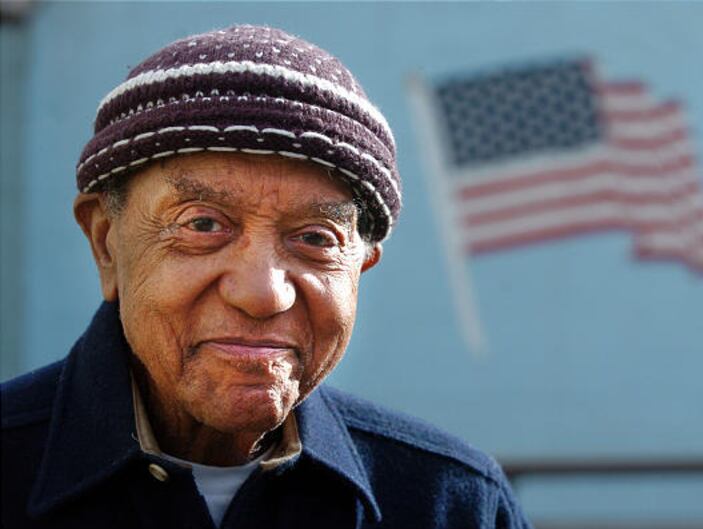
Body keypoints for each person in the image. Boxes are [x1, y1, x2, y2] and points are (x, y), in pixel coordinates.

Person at [1, 25, 531, 529]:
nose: (262, 294)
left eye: (316, 238)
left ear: (360, 266)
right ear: (106, 244)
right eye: (204, 225)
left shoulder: (451, 502)